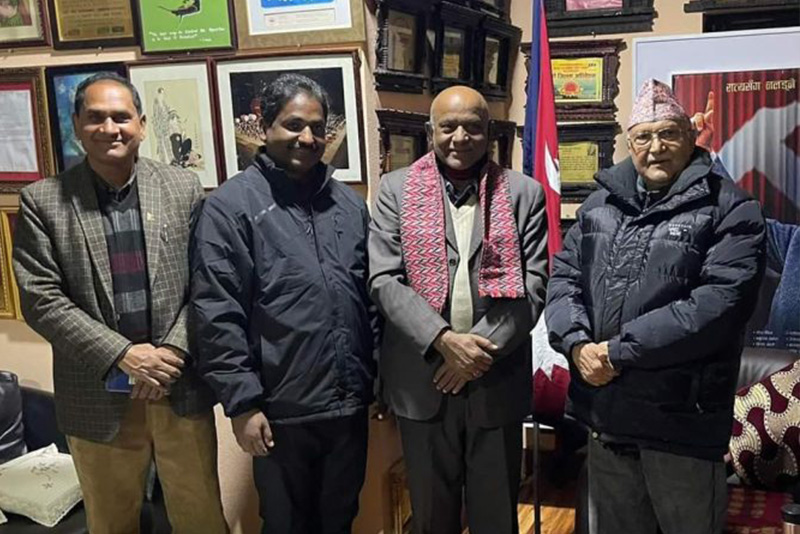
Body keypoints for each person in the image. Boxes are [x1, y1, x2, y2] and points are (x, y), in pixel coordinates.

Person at [546, 79, 766, 534]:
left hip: (681, 424)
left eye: (668, 134)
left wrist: (616, 352)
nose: (656, 147)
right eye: (643, 137)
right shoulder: (598, 206)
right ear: (629, 144)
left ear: (691, 136)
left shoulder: (732, 208)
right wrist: (576, 345)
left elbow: (717, 306)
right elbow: (563, 279)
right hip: (606, 415)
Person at [12, 73, 227, 534]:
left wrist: (171, 352)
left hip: (177, 386)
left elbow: (208, 282)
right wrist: (125, 356)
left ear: (142, 125)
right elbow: (41, 298)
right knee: (111, 524)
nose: (110, 128)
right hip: (97, 397)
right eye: (96, 117)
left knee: (202, 520)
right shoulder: (43, 201)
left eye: (121, 117)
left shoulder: (183, 187)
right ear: (76, 125)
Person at [190, 73, 376, 534]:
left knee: (340, 520)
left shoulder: (349, 206)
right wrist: (242, 405)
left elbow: (370, 300)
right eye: (293, 125)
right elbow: (216, 313)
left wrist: (377, 379)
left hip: (348, 406)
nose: (307, 138)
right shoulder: (230, 207)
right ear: (264, 126)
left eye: (317, 127)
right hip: (279, 411)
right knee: (286, 525)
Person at [369, 85, 549, 534]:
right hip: (423, 380)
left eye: (472, 127)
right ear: (430, 130)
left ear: (489, 131)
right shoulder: (395, 190)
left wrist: (473, 355)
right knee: (432, 517)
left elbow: (535, 286)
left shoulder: (524, 193)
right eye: (448, 126)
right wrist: (444, 342)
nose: (460, 137)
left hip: (496, 381)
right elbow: (384, 279)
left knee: (497, 516)